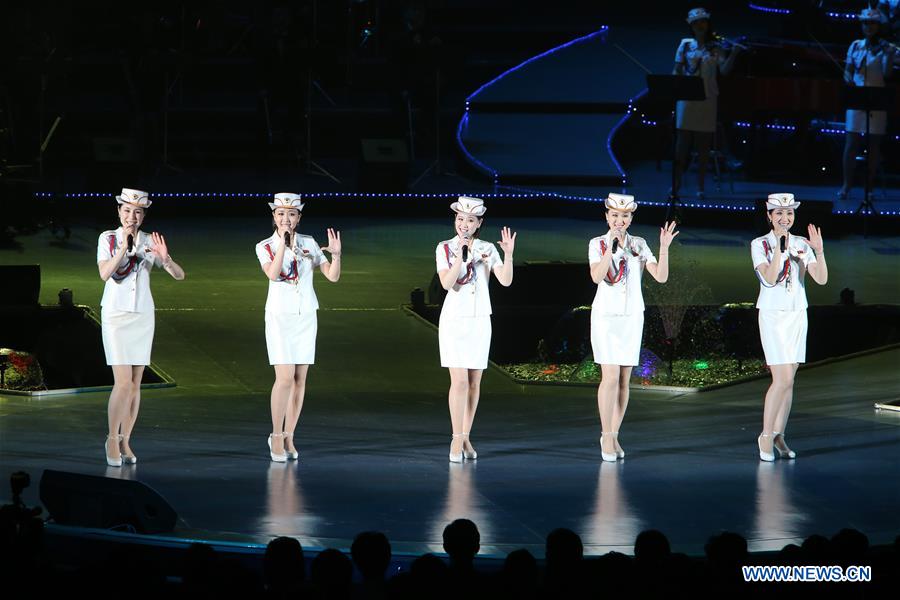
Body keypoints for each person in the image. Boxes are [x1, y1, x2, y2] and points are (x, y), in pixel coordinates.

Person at [97, 188, 185, 466]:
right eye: (126, 210)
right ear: (119, 212)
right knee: (122, 382)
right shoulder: (108, 238)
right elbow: (104, 274)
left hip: (142, 315)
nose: (131, 216)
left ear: (143, 215)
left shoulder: (150, 240)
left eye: (137, 212)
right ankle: (112, 438)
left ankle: (126, 440)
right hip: (115, 315)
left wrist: (165, 258)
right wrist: (124, 245)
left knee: (135, 384)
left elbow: (179, 276)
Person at [589, 194, 678, 462]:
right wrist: (610, 250)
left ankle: (615, 434)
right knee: (610, 377)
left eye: (625, 216)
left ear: (631, 218)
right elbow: (596, 277)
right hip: (606, 316)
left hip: (631, 317)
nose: (619, 220)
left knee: (625, 379)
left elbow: (661, 277)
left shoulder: (638, 244)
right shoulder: (597, 243)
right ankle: (606, 435)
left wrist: (663, 248)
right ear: (607, 216)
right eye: (614, 215)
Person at [255, 193, 341, 462]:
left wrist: (336, 256)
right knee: (283, 378)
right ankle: (276, 435)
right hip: (280, 317)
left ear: (299, 217)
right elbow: (273, 273)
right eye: (281, 214)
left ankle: (290, 434)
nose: (286, 219)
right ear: (274, 217)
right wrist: (284, 243)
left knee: (299, 379)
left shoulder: (310, 243)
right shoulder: (265, 246)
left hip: (306, 315)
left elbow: (332, 276)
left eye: (291, 214)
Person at [435, 196, 515, 463]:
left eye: (470, 220)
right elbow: (447, 283)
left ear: (479, 223)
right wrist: (461, 256)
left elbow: (505, 281)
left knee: (474, 383)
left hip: (480, 318)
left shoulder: (488, 249)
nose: (464, 225)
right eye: (460, 219)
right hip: (455, 320)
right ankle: (456, 440)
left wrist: (508, 254)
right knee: (458, 381)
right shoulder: (444, 247)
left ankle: (466, 435)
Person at [751, 193, 828, 461]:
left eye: (789, 214)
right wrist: (781, 253)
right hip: (773, 315)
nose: (785, 219)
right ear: (769, 216)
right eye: (779, 213)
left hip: (797, 314)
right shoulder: (759, 244)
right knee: (781, 379)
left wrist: (817, 250)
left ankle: (779, 435)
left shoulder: (801, 244)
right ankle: (764, 435)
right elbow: (770, 279)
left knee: (790, 380)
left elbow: (820, 279)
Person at [671, 7, 740, 200]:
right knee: (682, 144)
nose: (700, 25)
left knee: (703, 145)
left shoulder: (715, 47)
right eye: (696, 23)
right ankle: (676, 184)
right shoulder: (685, 45)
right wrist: (677, 83)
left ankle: (700, 186)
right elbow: (676, 69)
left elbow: (724, 71)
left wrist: (733, 53)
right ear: (691, 26)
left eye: (703, 22)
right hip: (687, 98)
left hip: (708, 99)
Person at [838, 8, 898, 201]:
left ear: (878, 26)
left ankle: (869, 188)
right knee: (851, 144)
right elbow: (847, 71)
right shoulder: (856, 46)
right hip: (857, 98)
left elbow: (887, 74)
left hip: (877, 99)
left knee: (874, 146)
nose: (868, 27)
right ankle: (846, 185)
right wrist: (848, 77)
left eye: (872, 23)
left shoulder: (886, 47)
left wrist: (888, 56)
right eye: (865, 23)